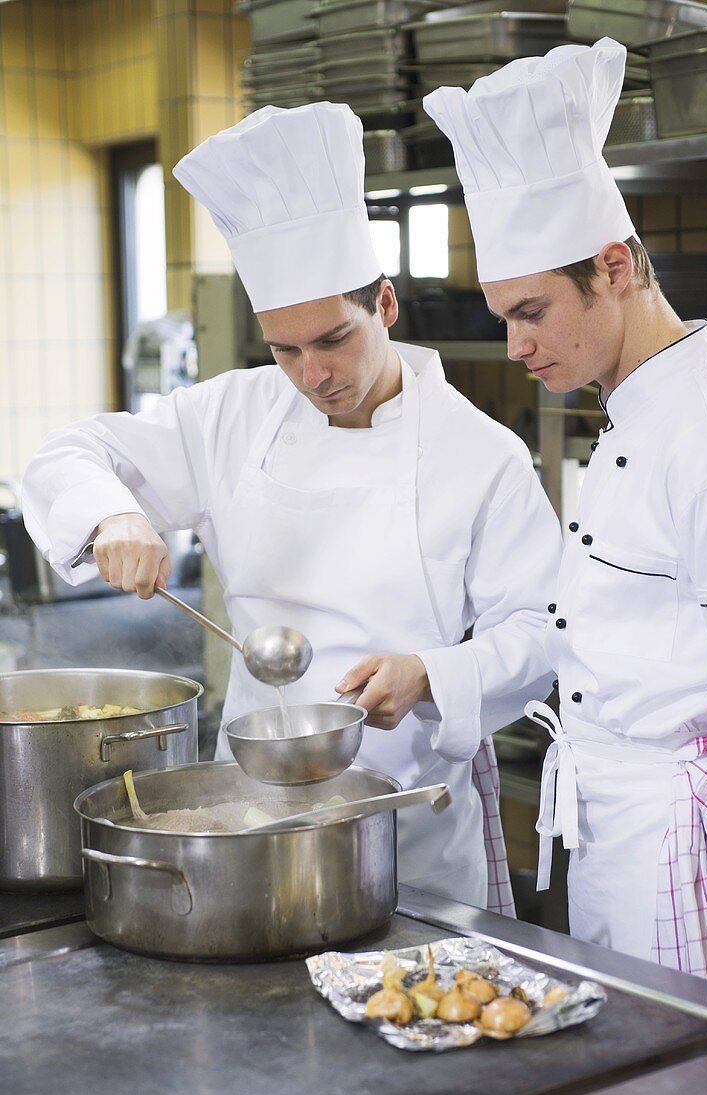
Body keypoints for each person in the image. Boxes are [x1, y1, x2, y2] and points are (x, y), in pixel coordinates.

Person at [22, 102, 562, 909]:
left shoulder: (479, 453)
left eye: (333, 340)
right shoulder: (231, 414)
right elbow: (66, 454)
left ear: (383, 304)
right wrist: (114, 516)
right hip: (253, 813)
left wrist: (432, 672)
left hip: (404, 814)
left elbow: (543, 629)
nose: (313, 375)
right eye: (286, 350)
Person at [425, 38, 707, 978]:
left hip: (683, 851)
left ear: (613, 265)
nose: (515, 347)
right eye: (502, 318)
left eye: (530, 312)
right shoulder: (629, 413)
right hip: (610, 832)